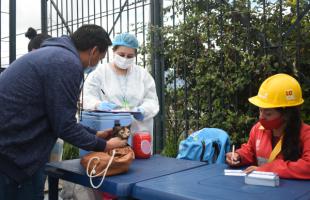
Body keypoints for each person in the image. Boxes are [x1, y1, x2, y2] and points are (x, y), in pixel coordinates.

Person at [0, 24, 127, 200]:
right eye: (99, 59)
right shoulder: (66, 63)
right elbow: (64, 126)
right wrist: (105, 145)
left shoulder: (54, 55)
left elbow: (59, 117)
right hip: (11, 156)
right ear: (94, 51)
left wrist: (96, 133)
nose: (96, 64)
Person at [226, 73, 310, 179]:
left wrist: (267, 169)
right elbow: (250, 150)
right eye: (260, 110)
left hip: (294, 193)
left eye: (268, 113)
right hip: (262, 190)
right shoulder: (258, 129)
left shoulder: (306, 134)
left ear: (287, 114)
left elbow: (308, 166)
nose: (261, 117)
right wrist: (238, 156)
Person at [83, 33, 159, 143]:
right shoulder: (99, 73)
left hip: (140, 132)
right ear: (113, 51)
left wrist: (142, 110)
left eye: (130, 56)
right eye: (121, 54)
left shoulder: (142, 75)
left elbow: (152, 101)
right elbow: (87, 97)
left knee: (140, 157)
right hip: (110, 130)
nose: (125, 59)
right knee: (113, 157)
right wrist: (98, 104)